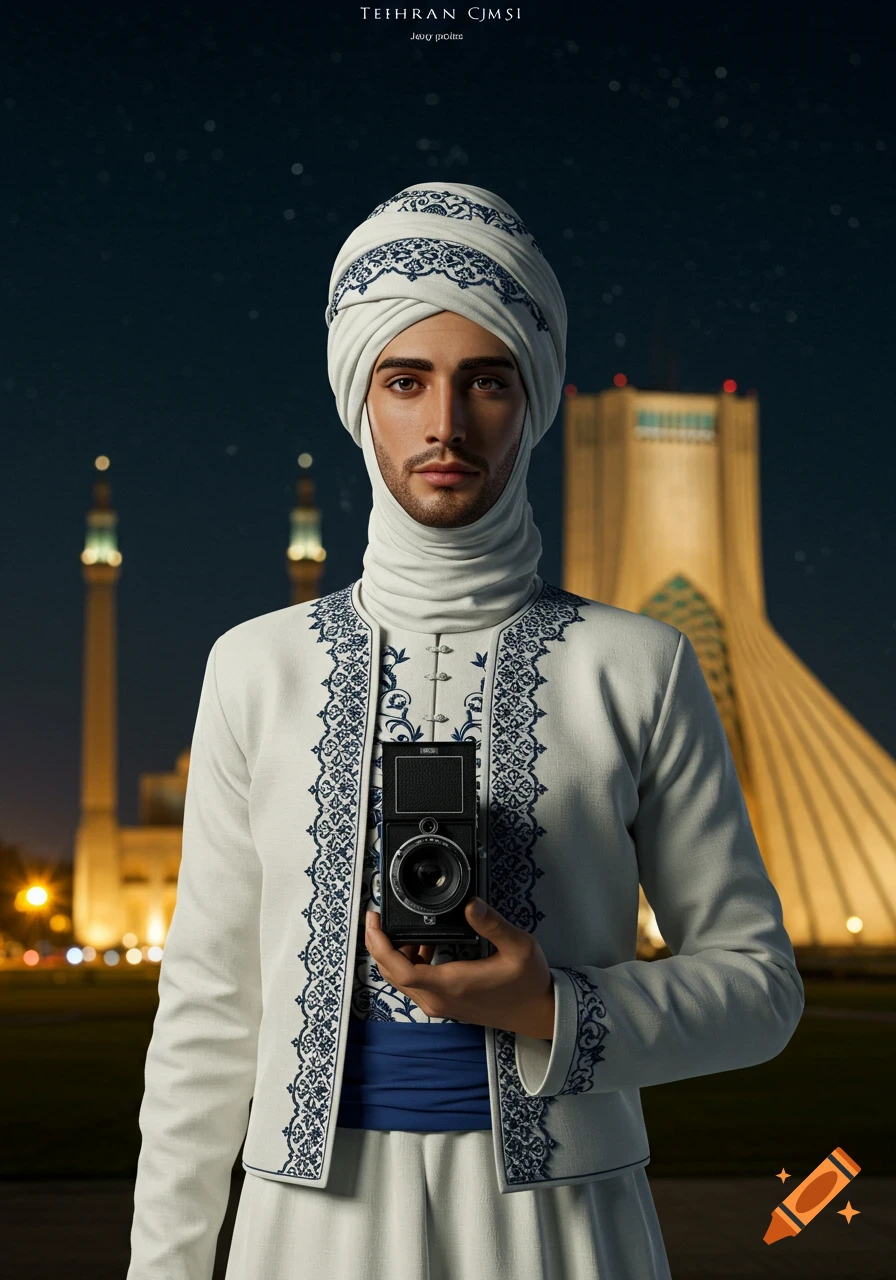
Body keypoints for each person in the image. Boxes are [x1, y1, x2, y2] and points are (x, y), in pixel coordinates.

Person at [126, 182, 804, 1280]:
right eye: (406, 380)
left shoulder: (632, 666)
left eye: (485, 379)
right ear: (360, 400)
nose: (445, 423)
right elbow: (207, 1011)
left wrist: (551, 1005)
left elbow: (759, 988)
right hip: (310, 1223)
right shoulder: (257, 667)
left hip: (562, 1219)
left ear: (530, 400)